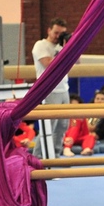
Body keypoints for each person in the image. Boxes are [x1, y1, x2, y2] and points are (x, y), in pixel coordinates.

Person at [31, 18, 71, 158]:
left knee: (62, 126)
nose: (58, 36)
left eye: (61, 33)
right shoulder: (40, 45)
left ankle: (55, 156)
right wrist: (63, 49)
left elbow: (77, 61)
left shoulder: (63, 47)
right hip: (49, 90)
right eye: (56, 32)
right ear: (49, 30)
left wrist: (72, 45)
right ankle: (37, 157)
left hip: (64, 89)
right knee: (48, 128)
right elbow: (49, 64)